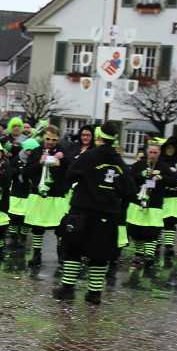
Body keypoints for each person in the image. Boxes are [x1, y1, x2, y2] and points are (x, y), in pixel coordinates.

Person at [53, 122, 134, 304]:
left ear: (98, 137)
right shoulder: (120, 162)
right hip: (109, 214)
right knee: (100, 254)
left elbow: (70, 176)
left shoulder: (88, 157)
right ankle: (94, 293)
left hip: (82, 211)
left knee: (73, 250)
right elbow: (130, 190)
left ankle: (67, 288)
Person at [22, 125, 69, 267]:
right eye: (48, 138)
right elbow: (26, 172)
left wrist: (64, 159)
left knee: (60, 226)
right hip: (39, 195)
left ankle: (60, 254)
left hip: (56, 195)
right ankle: (36, 254)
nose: (50, 142)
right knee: (37, 227)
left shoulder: (63, 151)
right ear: (43, 137)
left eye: (53, 139)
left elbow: (71, 169)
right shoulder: (36, 152)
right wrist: (39, 162)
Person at [126, 140, 176, 266]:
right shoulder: (139, 164)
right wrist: (142, 174)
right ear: (147, 152)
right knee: (136, 231)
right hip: (138, 203)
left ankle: (149, 255)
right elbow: (129, 180)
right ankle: (138, 254)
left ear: (159, 153)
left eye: (155, 152)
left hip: (155, 204)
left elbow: (175, 181)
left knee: (152, 231)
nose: (152, 155)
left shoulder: (163, 167)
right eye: (150, 152)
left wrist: (161, 177)